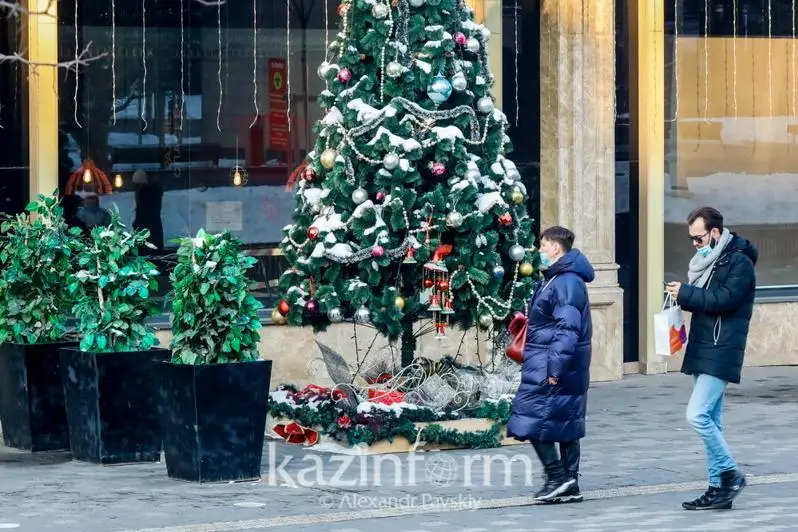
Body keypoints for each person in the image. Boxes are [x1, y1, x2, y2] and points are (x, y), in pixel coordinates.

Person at [665, 206, 757, 511]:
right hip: (705, 345)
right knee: (713, 420)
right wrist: (685, 294)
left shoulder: (739, 262)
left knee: (697, 415)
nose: (695, 245)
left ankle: (731, 474)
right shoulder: (709, 261)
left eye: (699, 238)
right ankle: (717, 489)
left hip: (722, 347)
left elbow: (725, 300)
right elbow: (709, 300)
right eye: (691, 239)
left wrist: (687, 293)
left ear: (715, 233)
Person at [507, 226, 594, 503]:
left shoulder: (566, 281)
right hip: (552, 360)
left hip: (552, 363)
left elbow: (567, 328)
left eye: (543, 245)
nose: (540, 250)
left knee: (528, 417)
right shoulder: (557, 278)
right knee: (565, 420)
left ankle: (558, 477)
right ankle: (569, 482)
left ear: (556, 247)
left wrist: (555, 369)